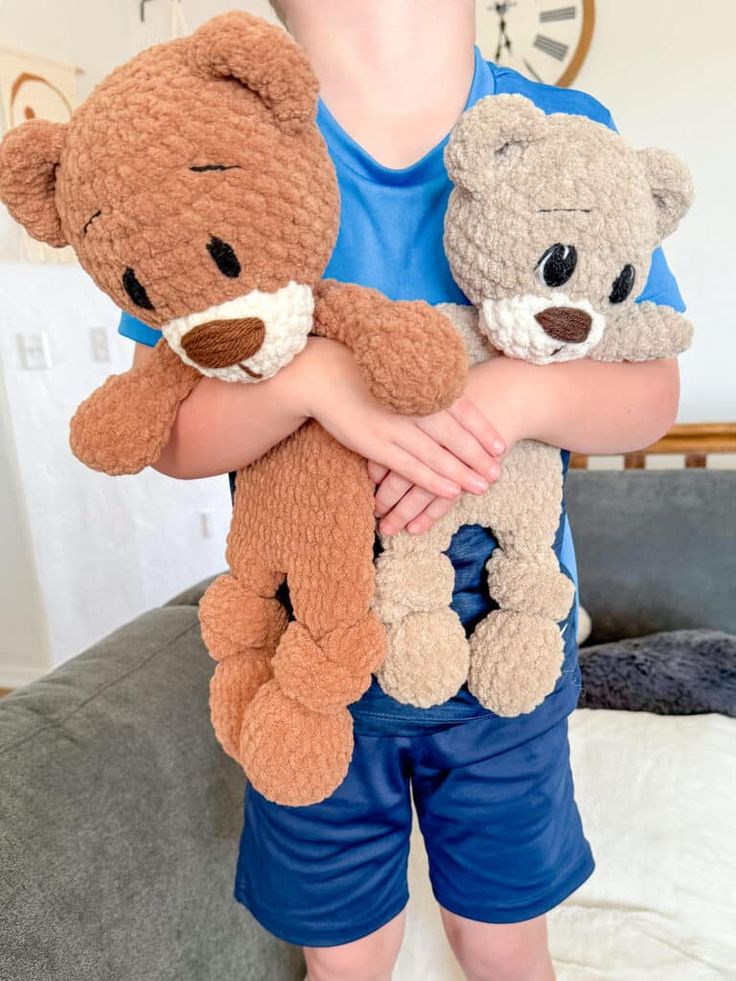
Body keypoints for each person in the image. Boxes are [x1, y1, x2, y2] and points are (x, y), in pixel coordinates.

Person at [121, 2, 685, 978]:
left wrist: (512, 395)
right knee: (344, 957)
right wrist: (311, 384)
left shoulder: (567, 131)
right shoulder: (220, 145)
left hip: (508, 650)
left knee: (503, 939)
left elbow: (649, 394)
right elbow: (162, 430)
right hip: (310, 667)